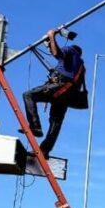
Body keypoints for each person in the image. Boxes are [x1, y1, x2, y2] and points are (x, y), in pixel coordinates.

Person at [22, 28, 85, 158]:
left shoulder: (70, 50)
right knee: (56, 122)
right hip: (67, 96)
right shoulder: (81, 67)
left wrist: (52, 36)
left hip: (61, 87)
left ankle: (35, 126)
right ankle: (45, 150)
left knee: (29, 95)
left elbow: (57, 53)